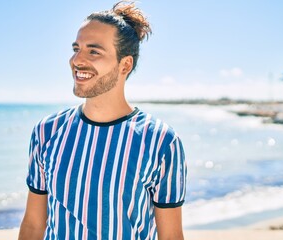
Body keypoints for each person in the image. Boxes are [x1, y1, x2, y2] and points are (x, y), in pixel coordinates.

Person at [18, 1, 187, 239]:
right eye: (76, 48)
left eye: (94, 51)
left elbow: (170, 236)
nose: (77, 60)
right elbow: (34, 225)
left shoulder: (161, 141)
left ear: (125, 64)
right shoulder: (47, 131)